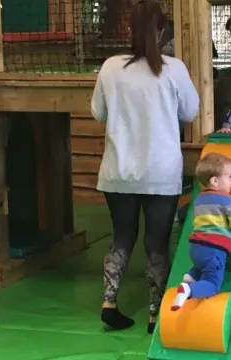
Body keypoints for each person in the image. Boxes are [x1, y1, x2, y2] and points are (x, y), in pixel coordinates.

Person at [90, 0, 200, 334]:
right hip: (161, 171)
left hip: (118, 170)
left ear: (129, 31)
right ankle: (156, 313)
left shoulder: (110, 67)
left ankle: (109, 302)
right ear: (162, 31)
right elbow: (190, 113)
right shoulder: (174, 68)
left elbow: (98, 113)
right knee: (157, 243)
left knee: (121, 238)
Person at [171, 153, 231, 311]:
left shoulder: (199, 199)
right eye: (229, 177)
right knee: (213, 284)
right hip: (214, 249)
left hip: (195, 248)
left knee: (203, 265)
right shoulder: (227, 199)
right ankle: (189, 290)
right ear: (215, 181)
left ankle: (192, 275)